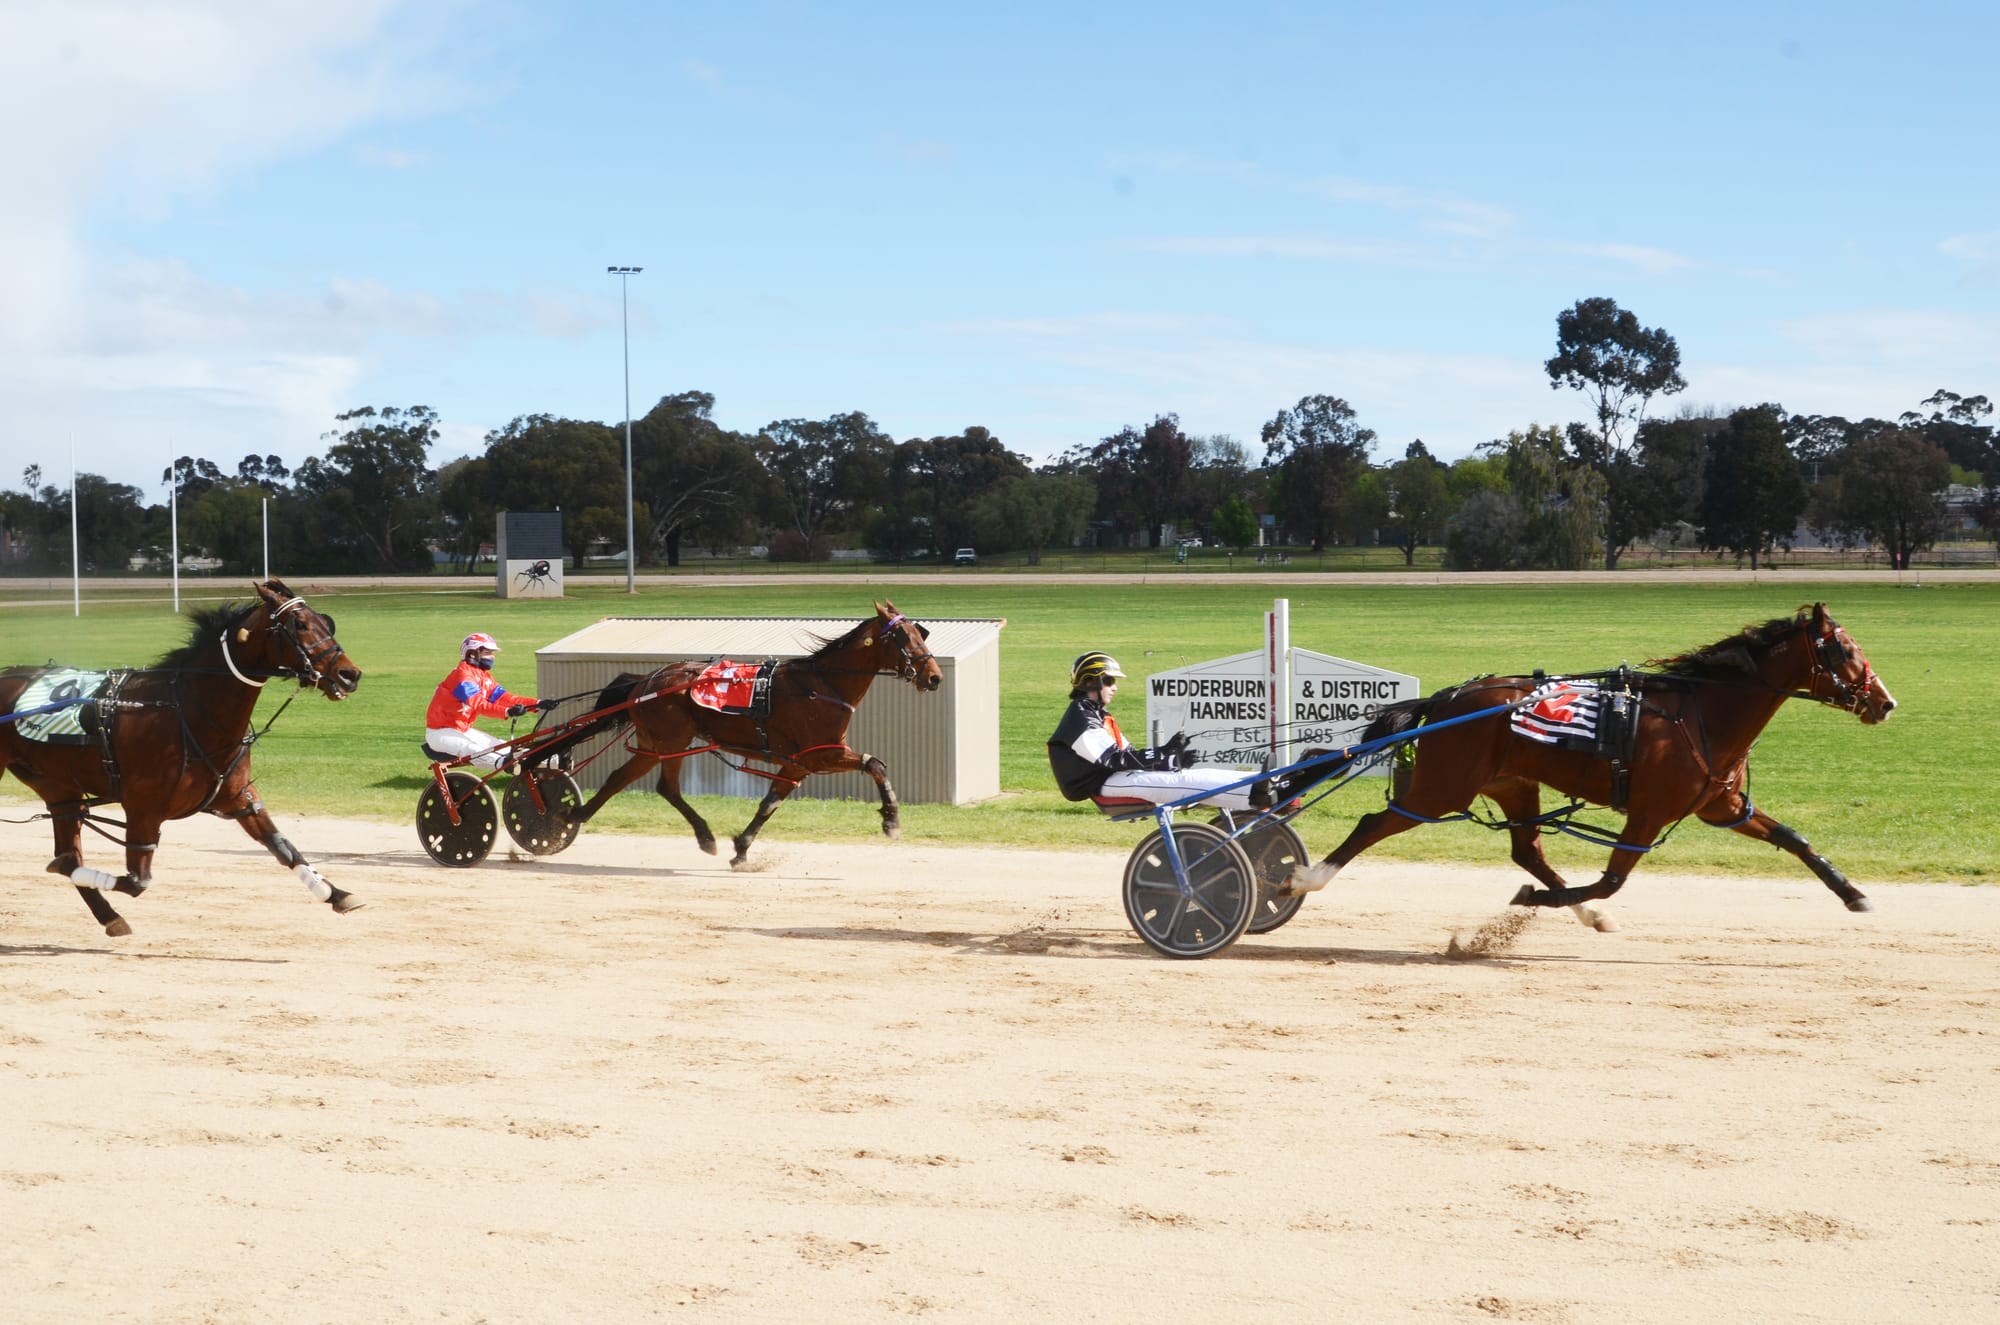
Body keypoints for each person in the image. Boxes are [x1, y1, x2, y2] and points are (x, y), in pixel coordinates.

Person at [1047, 651, 1269, 811]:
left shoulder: (1097, 714)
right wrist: (1163, 751)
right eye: (1109, 680)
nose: (1115, 687)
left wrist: (1172, 761)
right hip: (1104, 783)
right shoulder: (1080, 718)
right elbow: (1115, 760)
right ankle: (1257, 793)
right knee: (1183, 784)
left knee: (1191, 775)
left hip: (1115, 777)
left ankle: (1265, 781)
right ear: (1088, 682)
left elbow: (1130, 756)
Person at [424, 632, 550, 769]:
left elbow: (504, 698)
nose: (492, 657)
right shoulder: (462, 675)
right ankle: (507, 766)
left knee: (503, 748)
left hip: (462, 731)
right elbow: (479, 705)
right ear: (472, 654)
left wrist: (538, 704)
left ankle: (548, 763)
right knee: (474, 750)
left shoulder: (484, 677)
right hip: (440, 734)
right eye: (488, 653)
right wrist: (508, 712)